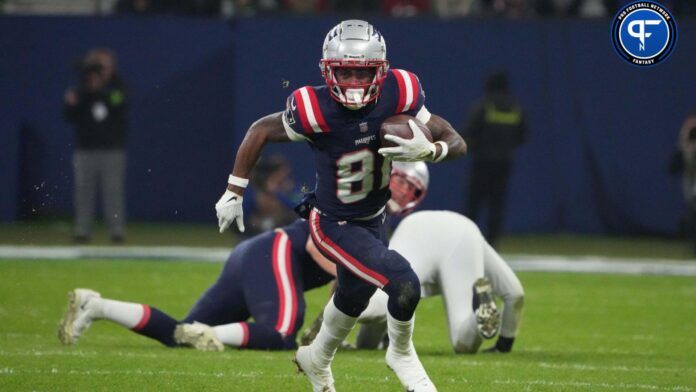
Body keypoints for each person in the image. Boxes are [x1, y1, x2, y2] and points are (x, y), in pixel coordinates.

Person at [214, 20, 467, 392]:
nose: (351, 82)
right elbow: (260, 130)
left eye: (360, 72)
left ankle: (317, 358)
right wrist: (234, 191)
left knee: (353, 295)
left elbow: (456, 140)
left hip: (374, 219)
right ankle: (401, 353)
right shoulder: (312, 107)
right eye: (343, 71)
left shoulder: (401, 91)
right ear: (326, 70)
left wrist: (432, 150)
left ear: (380, 71)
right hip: (334, 222)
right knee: (404, 284)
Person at [303, 162, 525, 355]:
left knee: (378, 298)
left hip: (422, 233)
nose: (403, 192)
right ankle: (480, 311)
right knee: (461, 334)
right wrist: (504, 344)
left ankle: (324, 327)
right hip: (465, 229)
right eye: (401, 183)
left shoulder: (368, 206)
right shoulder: (371, 207)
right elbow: (514, 293)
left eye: (411, 188)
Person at [57, 219, 335, 351]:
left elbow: (345, 288)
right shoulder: (361, 205)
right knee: (280, 334)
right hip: (276, 251)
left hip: (254, 254)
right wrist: (353, 272)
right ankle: (210, 334)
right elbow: (315, 245)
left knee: (180, 335)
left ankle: (96, 306)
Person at [63, 48, 128, 244]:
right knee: (83, 192)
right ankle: (82, 230)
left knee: (113, 192)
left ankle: (116, 231)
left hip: (112, 150)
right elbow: (69, 114)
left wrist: (101, 87)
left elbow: (118, 102)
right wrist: (74, 101)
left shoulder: (117, 86)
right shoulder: (81, 89)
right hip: (85, 149)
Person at [461, 70, 527, 247]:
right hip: (504, 163)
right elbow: (522, 135)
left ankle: (468, 239)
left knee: (474, 203)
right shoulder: (515, 108)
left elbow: (469, 132)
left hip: (482, 162)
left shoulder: (484, 106)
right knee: (497, 204)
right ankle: (492, 243)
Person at [247, 154, 297, 235]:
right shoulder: (265, 183)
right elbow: (254, 201)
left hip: (281, 219)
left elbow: (292, 204)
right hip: (259, 219)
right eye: (282, 170)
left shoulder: (287, 184)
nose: (285, 172)